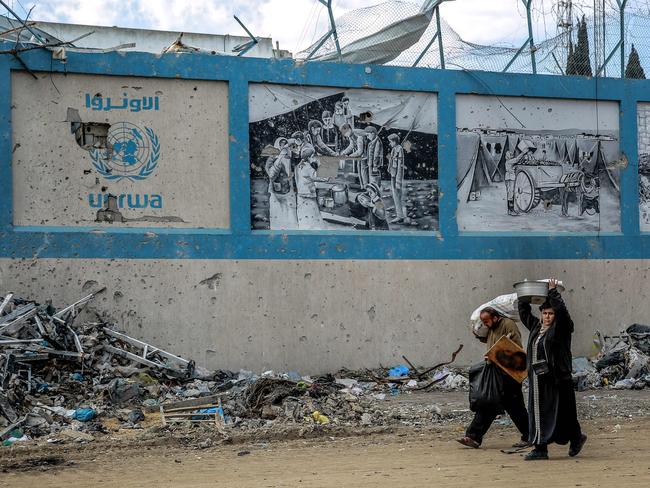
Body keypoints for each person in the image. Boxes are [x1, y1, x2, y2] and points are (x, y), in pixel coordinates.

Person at [518, 279, 587, 461]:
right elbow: (524, 312)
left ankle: (576, 437)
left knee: (564, 412)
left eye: (551, 313)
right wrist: (524, 296)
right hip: (538, 380)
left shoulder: (561, 329)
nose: (548, 316)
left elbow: (563, 313)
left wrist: (553, 292)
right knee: (538, 411)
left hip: (557, 378)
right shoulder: (536, 328)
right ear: (541, 315)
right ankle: (540, 448)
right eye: (545, 313)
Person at [457, 308, 530, 449]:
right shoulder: (492, 328)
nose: (485, 324)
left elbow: (515, 349)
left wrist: (497, 352)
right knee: (489, 403)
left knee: (515, 408)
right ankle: (473, 437)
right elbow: (491, 340)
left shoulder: (508, 324)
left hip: (509, 375)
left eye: (487, 321)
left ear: (496, 318)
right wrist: (479, 336)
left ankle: (530, 436)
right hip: (496, 373)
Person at [294, 145, 329, 229]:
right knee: (312, 217)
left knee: (303, 216)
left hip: (300, 195)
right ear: (309, 157)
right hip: (308, 195)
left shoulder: (298, 166)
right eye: (313, 157)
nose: (314, 159)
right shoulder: (308, 168)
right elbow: (323, 178)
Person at [387, 133, 407, 224]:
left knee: (397, 195)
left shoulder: (399, 150)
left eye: (390, 142)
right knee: (395, 195)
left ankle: (400, 216)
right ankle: (399, 214)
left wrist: (398, 180)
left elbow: (400, 166)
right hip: (393, 174)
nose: (389, 143)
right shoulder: (394, 149)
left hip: (396, 176)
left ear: (394, 141)